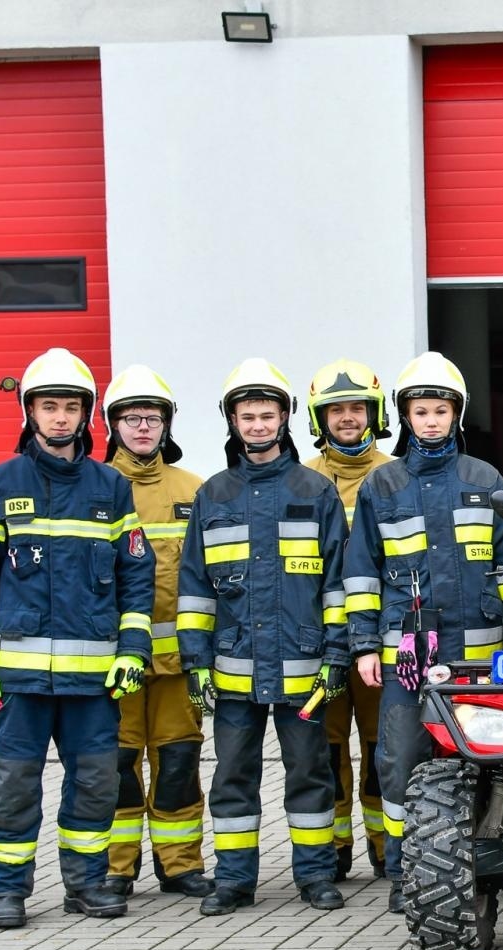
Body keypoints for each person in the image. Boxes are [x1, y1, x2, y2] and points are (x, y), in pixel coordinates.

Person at [0, 348, 155, 929]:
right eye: (50, 407)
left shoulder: (110, 488)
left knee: (95, 784)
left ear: (87, 414)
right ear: (30, 413)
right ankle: (9, 891)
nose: (61, 418)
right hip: (16, 678)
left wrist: (133, 651)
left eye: (71, 407)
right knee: (15, 784)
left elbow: (135, 575)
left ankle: (88, 885)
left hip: (93, 679)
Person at [345, 351, 503, 914]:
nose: (430, 420)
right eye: (420, 411)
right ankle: (411, 875)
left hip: (482, 654)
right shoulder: (382, 485)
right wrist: (362, 645)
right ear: (405, 417)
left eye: (440, 410)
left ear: (457, 415)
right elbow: (362, 568)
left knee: (496, 760)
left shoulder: (486, 480)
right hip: (409, 656)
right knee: (402, 760)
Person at [178, 358, 349, 916]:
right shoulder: (213, 495)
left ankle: (316, 877)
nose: (256, 425)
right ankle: (233, 882)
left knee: (310, 772)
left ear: (285, 420)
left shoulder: (315, 491)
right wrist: (195, 662)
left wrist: (337, 653)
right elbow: (196, 588)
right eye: (246, 416)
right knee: (232, 776)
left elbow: (337, 583)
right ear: (231, 422)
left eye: (266, 415)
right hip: (231, 670)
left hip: (303, 670)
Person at [100, 365, 213, 900]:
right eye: (131, 418)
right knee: (116, 768)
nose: (143, 428)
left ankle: (181, 866)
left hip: (178, 666)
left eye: (153, 418)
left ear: (167, 425)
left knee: (178, 765)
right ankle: (116, 869)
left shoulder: (197, 490)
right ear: (112, 425)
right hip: (110, 664)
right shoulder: (94, 488)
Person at [304, 359, 394, 883]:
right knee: (327, 749)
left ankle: (387, 850)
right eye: (335, 410)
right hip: (319, 642)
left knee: (383, 747)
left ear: (373, 414)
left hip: (381, 638)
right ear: (320, 419)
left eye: (356, 407)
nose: (346, 418)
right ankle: (335, 852)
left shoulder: (396, 475)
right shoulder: (301, 481)